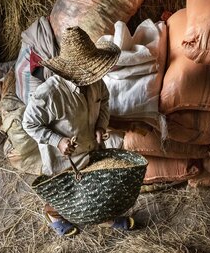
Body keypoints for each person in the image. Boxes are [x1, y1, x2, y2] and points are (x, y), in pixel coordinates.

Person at [23, 26, 134, 236]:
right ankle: (54, 216)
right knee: (64, 192)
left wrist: (101, 125)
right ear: (72, 71)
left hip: (90, 145)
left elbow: (104, 102)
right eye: (90, 71)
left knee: (95, 188)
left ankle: (102, 217)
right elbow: (29, 124)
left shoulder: (95, 82)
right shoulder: (49, 94)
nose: (94, 75)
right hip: (64, 157)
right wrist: (57, 140)